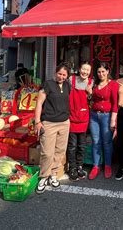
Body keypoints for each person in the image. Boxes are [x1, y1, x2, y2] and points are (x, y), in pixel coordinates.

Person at [35, 63, 71, 193]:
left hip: (64, 123)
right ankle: (44, 176)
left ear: (67, 76)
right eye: (59, 74)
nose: (61, 76)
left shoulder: (68, 85)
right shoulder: (48, 84)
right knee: (47, 152)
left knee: (60, 151)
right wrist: (38, 121)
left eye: (64, 74)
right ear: (55, 73)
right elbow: (39, 103)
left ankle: (53, 174)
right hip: (49, 123)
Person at [88, 62, 118, 180]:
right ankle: (96, 166)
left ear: (108, 72)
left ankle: (108, 165)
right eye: (99, 72)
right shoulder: (94, 84)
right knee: (95, 141)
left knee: (107, 142)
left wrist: (113, 120)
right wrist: (89, 92)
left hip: (107, 116)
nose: (101, 74)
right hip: (94, 116)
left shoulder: (113, 85)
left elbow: (115, 104)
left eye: (103, 71)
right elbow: (91, 99)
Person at [67, 61, 93, 181]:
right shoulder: (71, 80)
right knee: (72, 145)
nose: (85, 72)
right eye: (83, 69)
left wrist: (90, 94)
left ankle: (79, 166)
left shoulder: (91, 83)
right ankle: (71, 167)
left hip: (83, 119)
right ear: (79, 68)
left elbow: (92, 103)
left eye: (87, 70)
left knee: (82, 146)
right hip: (72, 117)